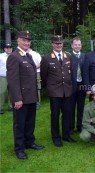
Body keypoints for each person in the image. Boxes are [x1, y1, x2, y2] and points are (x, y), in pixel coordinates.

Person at [7, 31, 44, 160]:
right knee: (19, 124)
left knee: (29, 122)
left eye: (28, 41)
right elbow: (13, 80)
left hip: (31, 97)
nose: (26, 43)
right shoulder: (14, 56)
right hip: (21, 98)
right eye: (24, 40)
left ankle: (29, 142)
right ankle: (19, 148)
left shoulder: (27, 55)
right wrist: (17, 99)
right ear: (18, 41)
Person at [41, 35, 76, 147]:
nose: (58, 45)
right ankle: (56, 137)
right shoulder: (46, 58)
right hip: (55, 91)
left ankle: (65, 135)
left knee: (67, 114)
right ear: (52, 44)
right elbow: (44, 75)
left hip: (67, 91)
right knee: (55, 115)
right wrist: (51, 86)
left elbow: (71, 71)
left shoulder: (68, 56)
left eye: (60, 43)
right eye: (56, 43)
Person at [70, 38, 86, 134]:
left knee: (81, 107)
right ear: (72, 45)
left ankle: (80, 125)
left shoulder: (84, 56)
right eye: (75, 44)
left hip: (81, 85)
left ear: (81, 45)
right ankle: (70, 127)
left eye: (79, 44)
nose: (77, 46)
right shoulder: (68, 56)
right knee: (71, 107)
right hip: (71, 85)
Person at [0, 43, 13, 114]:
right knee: (2, 92)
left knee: (11, 92)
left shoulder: (14, 56)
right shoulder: (1, 56)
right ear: (4, 49)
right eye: (7, 48)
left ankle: (10, 106)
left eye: (10, 48)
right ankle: (0, 108)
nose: (9, 49)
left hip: (12, 77)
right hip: (3, 77)